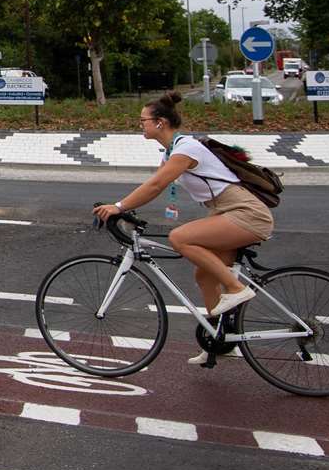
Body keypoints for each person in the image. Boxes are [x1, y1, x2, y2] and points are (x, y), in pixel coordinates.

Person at [92, 90, 274, 364]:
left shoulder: (185, 149)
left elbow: (156, 185)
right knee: (204, 275)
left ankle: (236, 290)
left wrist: (119, 207)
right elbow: (153, 186)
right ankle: (220, 341)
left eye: (143, 120)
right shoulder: (172, 152)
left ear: (160, 123)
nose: (140, 124)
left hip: (245, 212)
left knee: (181, 238)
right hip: (224, 211)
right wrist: (128, 210)